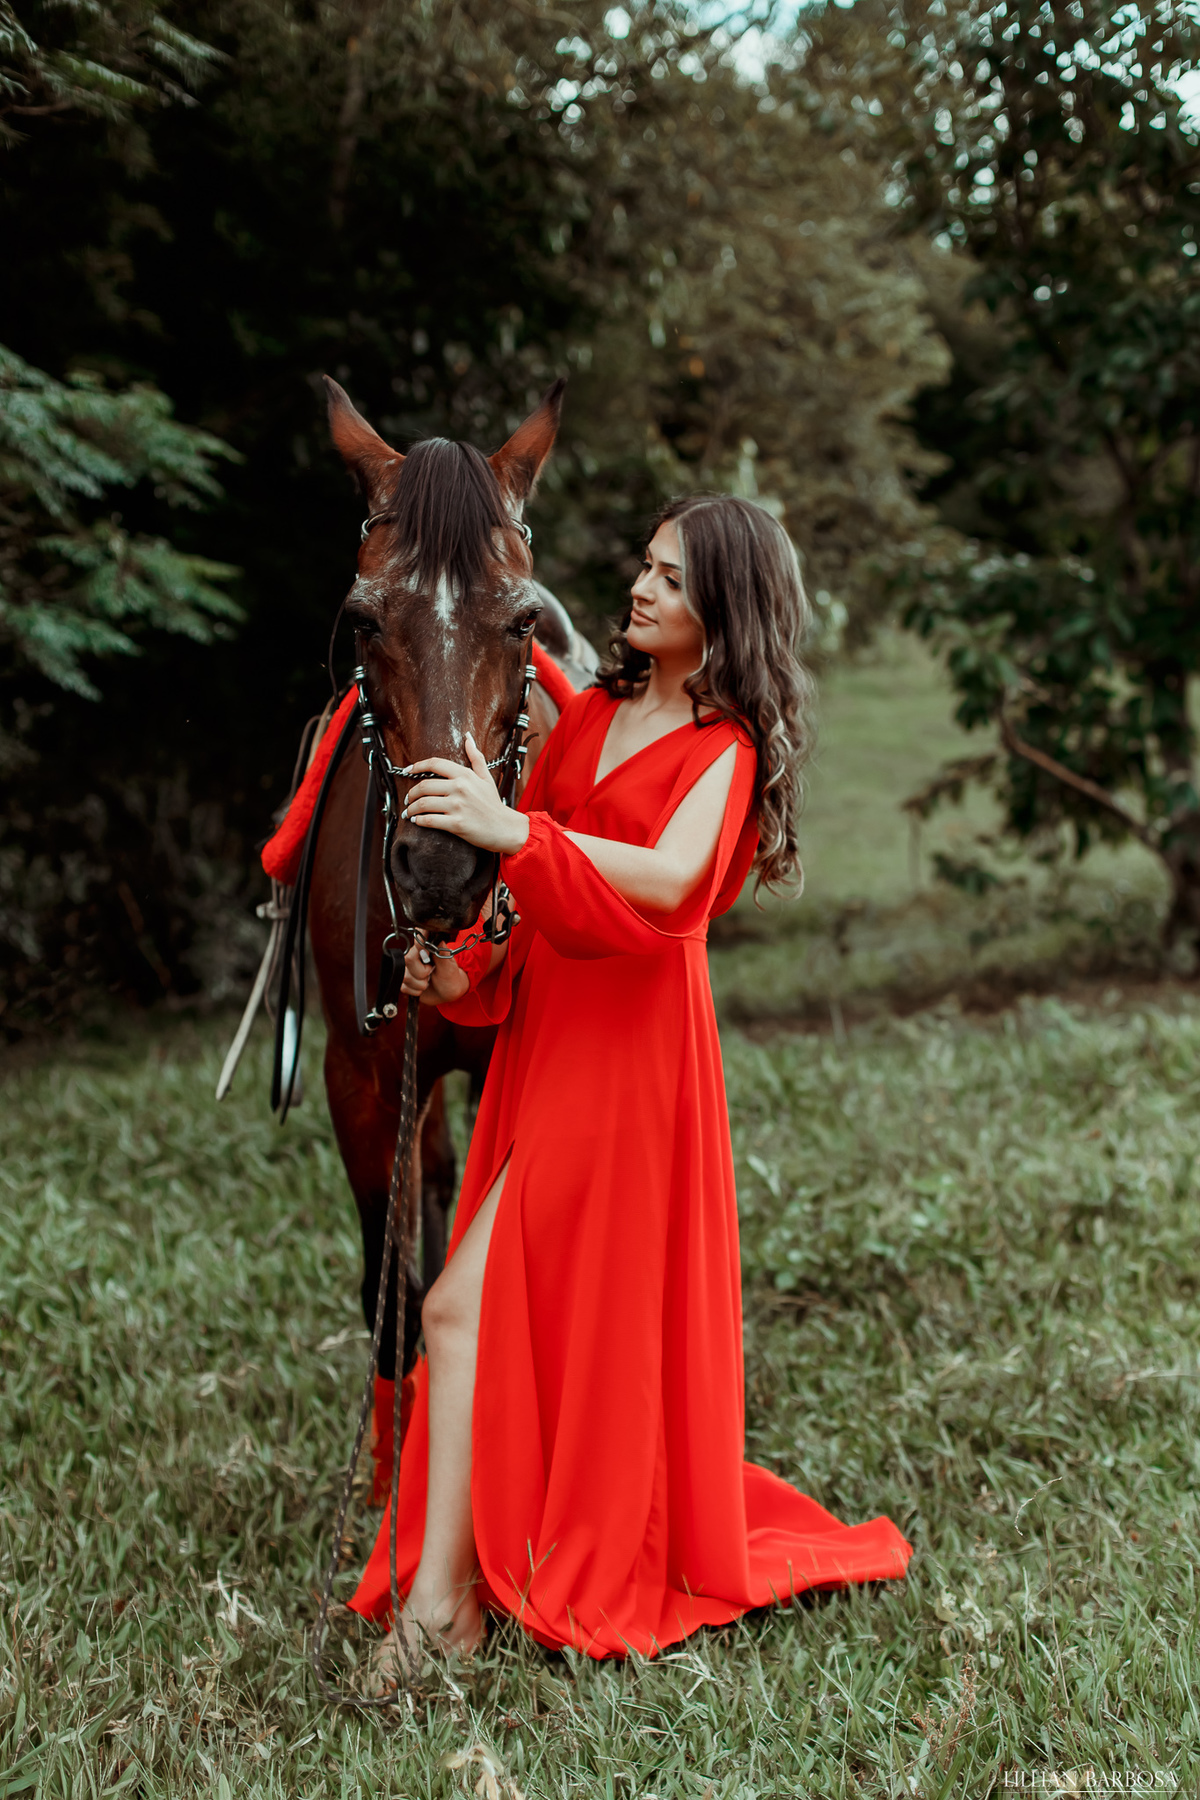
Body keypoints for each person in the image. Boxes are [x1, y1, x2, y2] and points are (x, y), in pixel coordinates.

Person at [349, 494, 912, 1661]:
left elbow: (666, 880)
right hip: (552, 1035)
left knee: (459, 1305)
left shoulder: (727, 751)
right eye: (646, 568)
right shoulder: (593, 712)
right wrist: (462, 974)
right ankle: (452, 1597)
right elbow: (526, 890)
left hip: (632, 1061)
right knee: (489, 1310)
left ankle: (442, 1611)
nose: (643, 589)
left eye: (673, 577)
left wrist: (509, 829)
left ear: (729, 609)